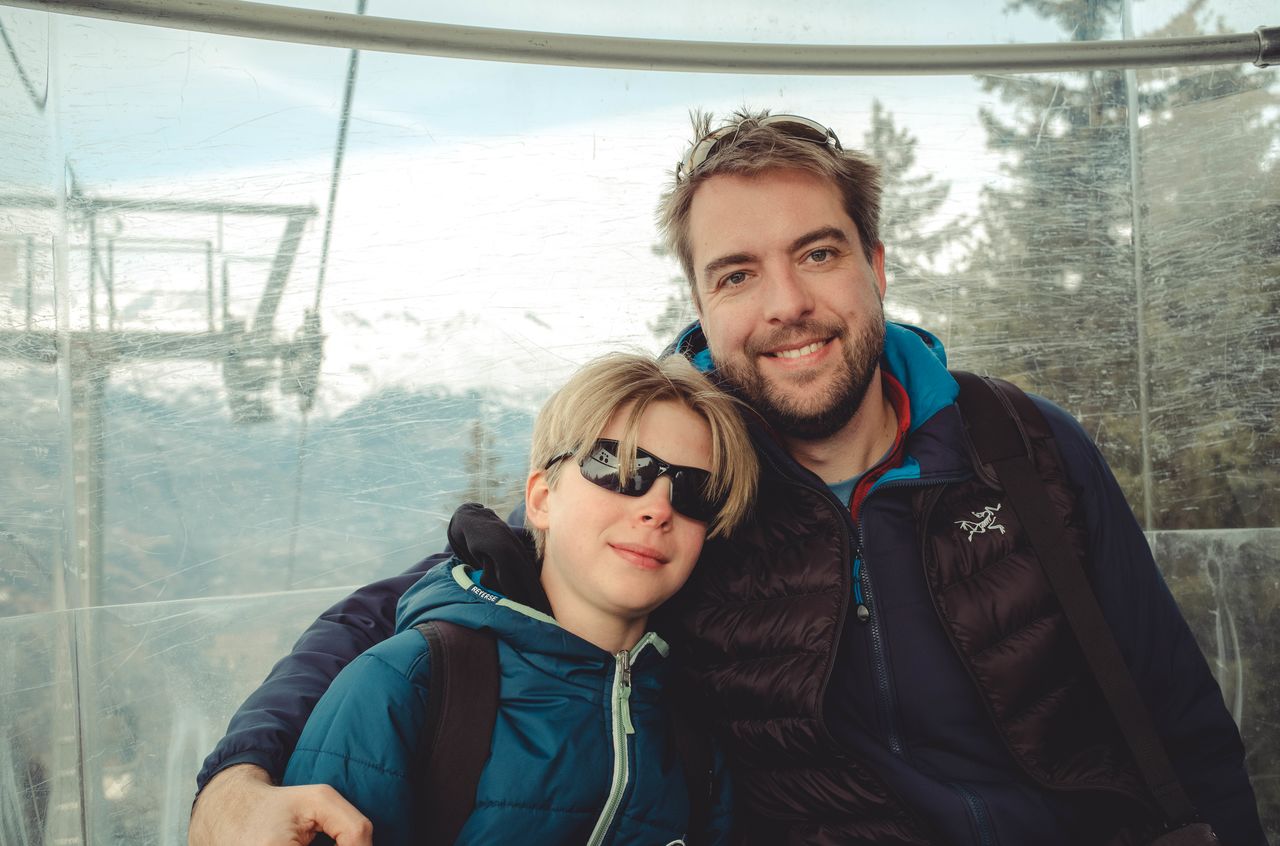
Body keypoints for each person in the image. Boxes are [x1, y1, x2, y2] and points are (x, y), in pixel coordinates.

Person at [190, 110, 1267, 846]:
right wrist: (237, 778)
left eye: (818, 253)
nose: (783, 304)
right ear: (701, 307)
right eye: (737, 274)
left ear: (875, 267)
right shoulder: (684, 487)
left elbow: (1174, 711)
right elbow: (423, 602)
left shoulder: (1021, 450)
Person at [279, 352, 756, 845]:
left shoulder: (692, 734)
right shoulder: (407, 685)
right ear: (541, 499)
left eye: (694, 490)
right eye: (620, 467)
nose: (658, 508)